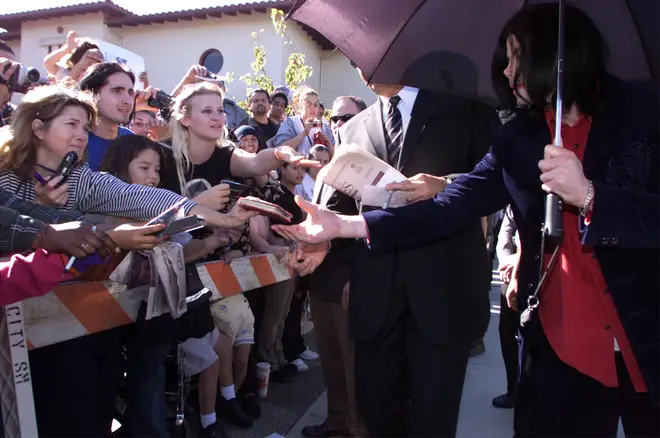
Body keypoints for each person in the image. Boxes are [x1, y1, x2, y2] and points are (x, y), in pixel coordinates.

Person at [274, 4, 660, 438]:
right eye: (506, 57)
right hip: (562, 351)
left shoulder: (644, 114)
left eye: (518, 55)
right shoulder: (518, 138)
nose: (508, 70)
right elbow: (448, 206)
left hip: (641, 337)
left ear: (559, 53)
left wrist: (590, 195)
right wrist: (342, 226)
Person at [0, 83, 254, 437]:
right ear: (38, 128)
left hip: (88, 324)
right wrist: (48, 218)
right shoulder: (5, 179)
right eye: (71, 125)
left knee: (93, 410)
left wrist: (208, 214)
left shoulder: (80, 178)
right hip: (20, 329)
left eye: (84, 128)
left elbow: (133, 196)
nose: (80, 136)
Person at [283, 63, 498, 438]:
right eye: (353, 61)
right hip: (376, 296)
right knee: (375, 412)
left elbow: (496, 183)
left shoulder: (468, 110)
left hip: (443, 294)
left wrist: (444, 185)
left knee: (433, 420)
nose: (361, 66)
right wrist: (324, 243)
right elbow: (345, 210)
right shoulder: (352, 129)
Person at [493, 205, 520, 409]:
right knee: (507, 334)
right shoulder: (516, 201)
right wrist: (507, 264)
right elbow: (506, 233)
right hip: (511, 277)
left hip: (546, 274)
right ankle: (513, 389)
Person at [269, 86, 333, 156]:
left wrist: (328, 143)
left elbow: (334, 154)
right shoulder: (291, 123)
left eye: (316, 105)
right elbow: (281, 148)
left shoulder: (324, 127)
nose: (312, 108)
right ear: (301, 105)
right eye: (308, 104)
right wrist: (303, 134)